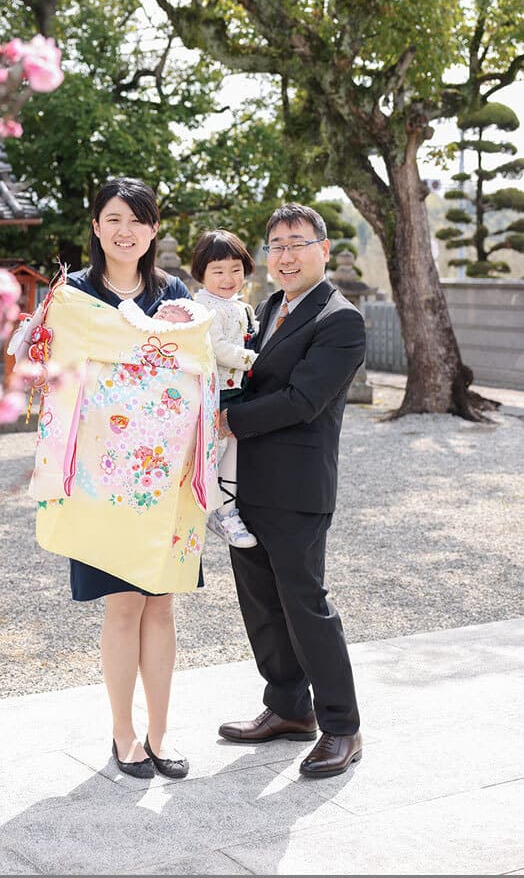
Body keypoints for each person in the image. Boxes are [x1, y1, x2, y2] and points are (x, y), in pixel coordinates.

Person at [16, 178, 214, 782]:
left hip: (164, 477)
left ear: (153, 230)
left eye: (137, 220)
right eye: (113, 219)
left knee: (162, 604)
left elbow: (195, 363)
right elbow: (50, 369)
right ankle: (124, 733)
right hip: (102, 480)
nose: (125, 231)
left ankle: (160, 732)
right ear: (96, 227)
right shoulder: (73, 295)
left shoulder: (174, 295)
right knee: (124, 606)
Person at [217, 202, 366, 779]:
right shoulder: (268, 307)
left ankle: (342, 727)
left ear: (322, 250)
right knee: (261, 604)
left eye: (296, 243)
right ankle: (288, 708)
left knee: (305, 606)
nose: (284, 256)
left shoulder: (340, 319)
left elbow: (304, 401)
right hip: (248, 482)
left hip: (298, 488)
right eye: (275, 245)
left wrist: (229, 420)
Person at [190, 230, 259, 548]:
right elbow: (218, 348)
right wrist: (255, 359)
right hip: (215, 390)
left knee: (234, 446)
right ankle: (219, 510)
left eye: (235, 269)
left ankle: (226, 509)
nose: (228, 278)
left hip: (237, 387)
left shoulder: (239, 306)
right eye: (218, 271)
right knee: (213, 450)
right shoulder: (202, 307)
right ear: (201, 273)